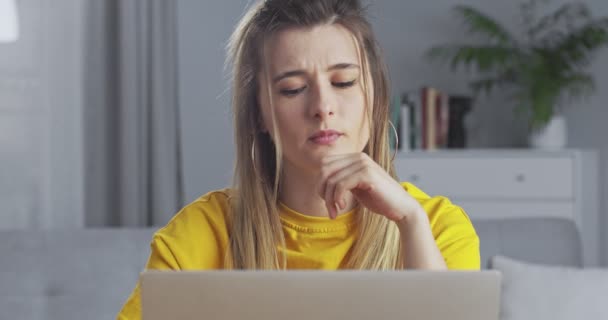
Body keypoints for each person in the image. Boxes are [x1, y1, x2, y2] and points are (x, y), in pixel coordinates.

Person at [117, 0, 480, 318]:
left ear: (374, 96)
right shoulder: (199, 235)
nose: (323, 107)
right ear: (259, 113)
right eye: (293, 89)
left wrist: (409, 222)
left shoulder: (437, 229)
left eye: (343, 83)